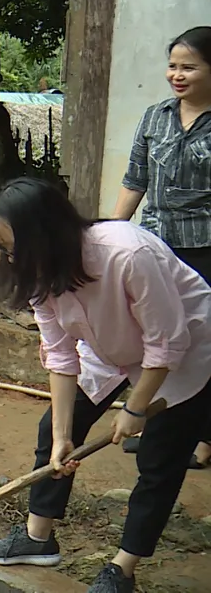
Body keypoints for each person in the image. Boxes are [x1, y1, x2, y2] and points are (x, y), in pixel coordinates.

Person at [0, 177, 211, 593]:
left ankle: (122, 570)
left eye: (15, 249)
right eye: (4, 251)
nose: (10, 260)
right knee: (53, 430)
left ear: (47, 236)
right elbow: (61, 355)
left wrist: (136, 410)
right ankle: (38, 537)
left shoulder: (126, 253)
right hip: (109, 347)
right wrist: (64, 438)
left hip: (184, 351)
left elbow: (165, 342)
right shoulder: (38, 275)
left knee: (159, 459)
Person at [110, 26, 211, 469]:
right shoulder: (155, 117)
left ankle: (202, 440)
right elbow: (135, 180)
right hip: (156, 247)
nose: (177, 75)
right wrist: (112, 233)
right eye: (173, 66)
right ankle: (157, 425)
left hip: (206, 247)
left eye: (189, 66)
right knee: (160, 339)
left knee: (203, 343)